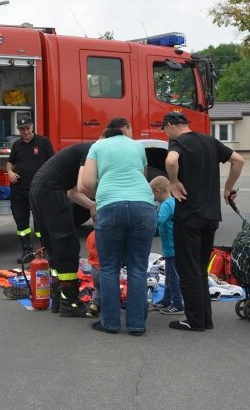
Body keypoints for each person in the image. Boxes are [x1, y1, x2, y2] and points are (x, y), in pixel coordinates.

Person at [163, 111, 244, 331]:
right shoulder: (210, 141)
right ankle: (204, 319)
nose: (166, 134)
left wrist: (173, 182)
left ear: (170, 126)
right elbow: (238, 160)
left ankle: (194, 320)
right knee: (200, 268)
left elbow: (171, 160)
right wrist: (228, 188)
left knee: (188, 269)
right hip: (211, 216)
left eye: (165, 129)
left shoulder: (177, 142)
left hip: (189, 216)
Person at [80, 117, 157, 336]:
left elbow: (86, 183)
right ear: (124, 131)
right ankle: (136, 325)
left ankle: (110, 323)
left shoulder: (97, 146)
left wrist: (104, 191)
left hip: (110, 207)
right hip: (143, 206)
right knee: (138, 268)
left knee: (109, 268)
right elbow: (142, 175)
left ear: (106, 133)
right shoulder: (137, 146)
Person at [29, 142, 96, 317]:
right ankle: (70, 301)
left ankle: (58, 297)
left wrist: (93, 206)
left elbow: (74, 193)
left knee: (54, 246)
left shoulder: (80, 151)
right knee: (66, 245)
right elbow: (84, 186)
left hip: (39, 190)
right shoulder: (93, 150)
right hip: (51, 191)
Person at [6, 115, 54, 263]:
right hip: (19, 190)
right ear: (18, 130)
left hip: (39, 189)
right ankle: (27, 251)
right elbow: (10, 163)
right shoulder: (16, 145)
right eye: (22, 129)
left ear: (32, 127)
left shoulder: (43, 142)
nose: (25, 131)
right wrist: (10, 172)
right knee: (21, 223)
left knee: (41, 223)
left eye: (27, 128)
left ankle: (45, 251)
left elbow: (53, 162)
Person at [150, 175, 184, 315]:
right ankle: (166, 300)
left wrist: (150, 209)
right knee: (170, 276)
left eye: (152, 193)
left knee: (173, 276)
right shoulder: (172, 202)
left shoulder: (165, 205)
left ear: (157, 191)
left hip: (172, 247)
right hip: (173, 246)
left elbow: (158, 221)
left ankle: (177, 303)